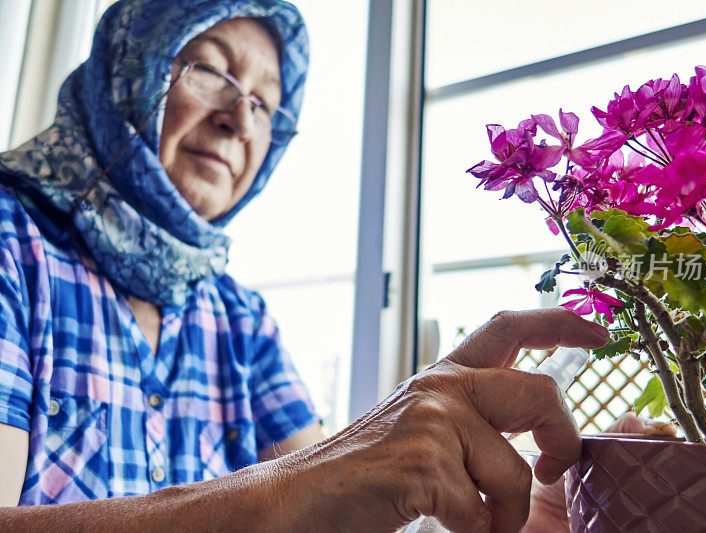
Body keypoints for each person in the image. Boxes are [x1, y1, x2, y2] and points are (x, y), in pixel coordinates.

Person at [0, 0, 611, 530]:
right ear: (129, 69)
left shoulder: (239, 317)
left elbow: (341, 493)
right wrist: (299, 489)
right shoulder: (12, 237)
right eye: (210, 69)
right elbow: (315, 485)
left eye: (266, 106)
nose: (240, 120)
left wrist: (535, 509)